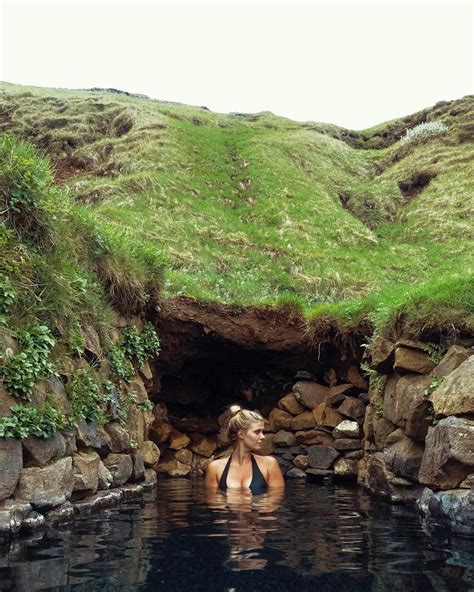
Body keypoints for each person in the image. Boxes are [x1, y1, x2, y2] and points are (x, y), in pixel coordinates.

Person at [204, 405, 285, 492]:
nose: (263, 436)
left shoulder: (269, 464)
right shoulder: (215, 468)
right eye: (257, 432)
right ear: (241, 434)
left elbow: (275, 501)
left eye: (262, 432)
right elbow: (214, 503)